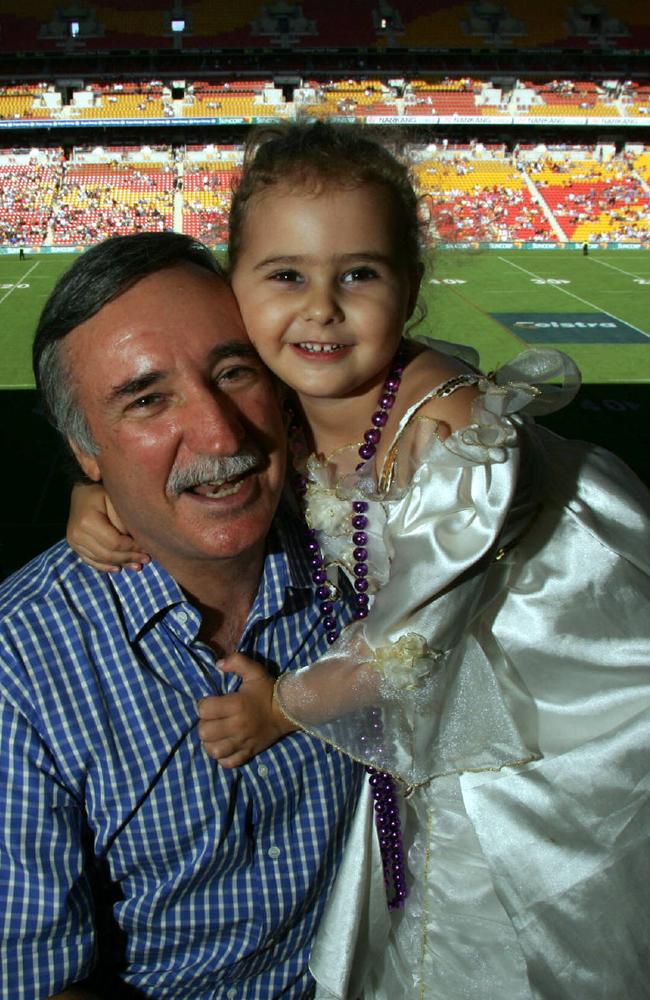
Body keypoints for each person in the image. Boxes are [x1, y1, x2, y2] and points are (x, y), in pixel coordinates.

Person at [67, 124, 650, 999]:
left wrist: (282, 708)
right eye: (287, 275)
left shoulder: (450, 435)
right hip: (433, 682)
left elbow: (412, 643)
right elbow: (217, 469)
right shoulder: (288, 404)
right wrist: (103, 491)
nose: (322, 307)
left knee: (499, 895)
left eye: (361, 274)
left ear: (411, 288)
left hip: (544, 690)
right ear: (236, 286)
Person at [0, 231, 364, 999]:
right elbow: (36, 981)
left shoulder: (372, 546)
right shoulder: (18, 671)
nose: (221, 434)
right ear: (84, 448)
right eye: (146, 399)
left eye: (235, 372)